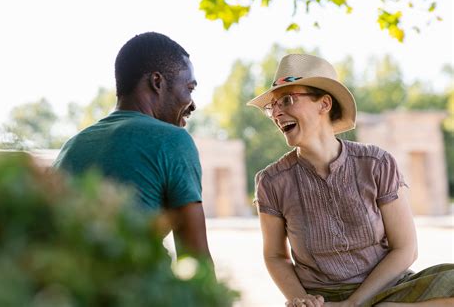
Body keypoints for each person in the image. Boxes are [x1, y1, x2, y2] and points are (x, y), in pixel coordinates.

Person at [247, 54, 454, 307]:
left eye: (287, 100)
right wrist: (302, 300)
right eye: (272, 106)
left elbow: (406, 249)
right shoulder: (271, 182)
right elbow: (276, 256)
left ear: (324, 104)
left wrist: (355, 304)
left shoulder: (377, 163)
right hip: (323, 301)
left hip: (388, 288)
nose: (277, 113)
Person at [53, 32, 213, 263]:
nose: (192, 103)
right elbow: (197, 264)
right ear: (157, 82)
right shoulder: (173, 141)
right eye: (189, 88)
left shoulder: (71, 147)